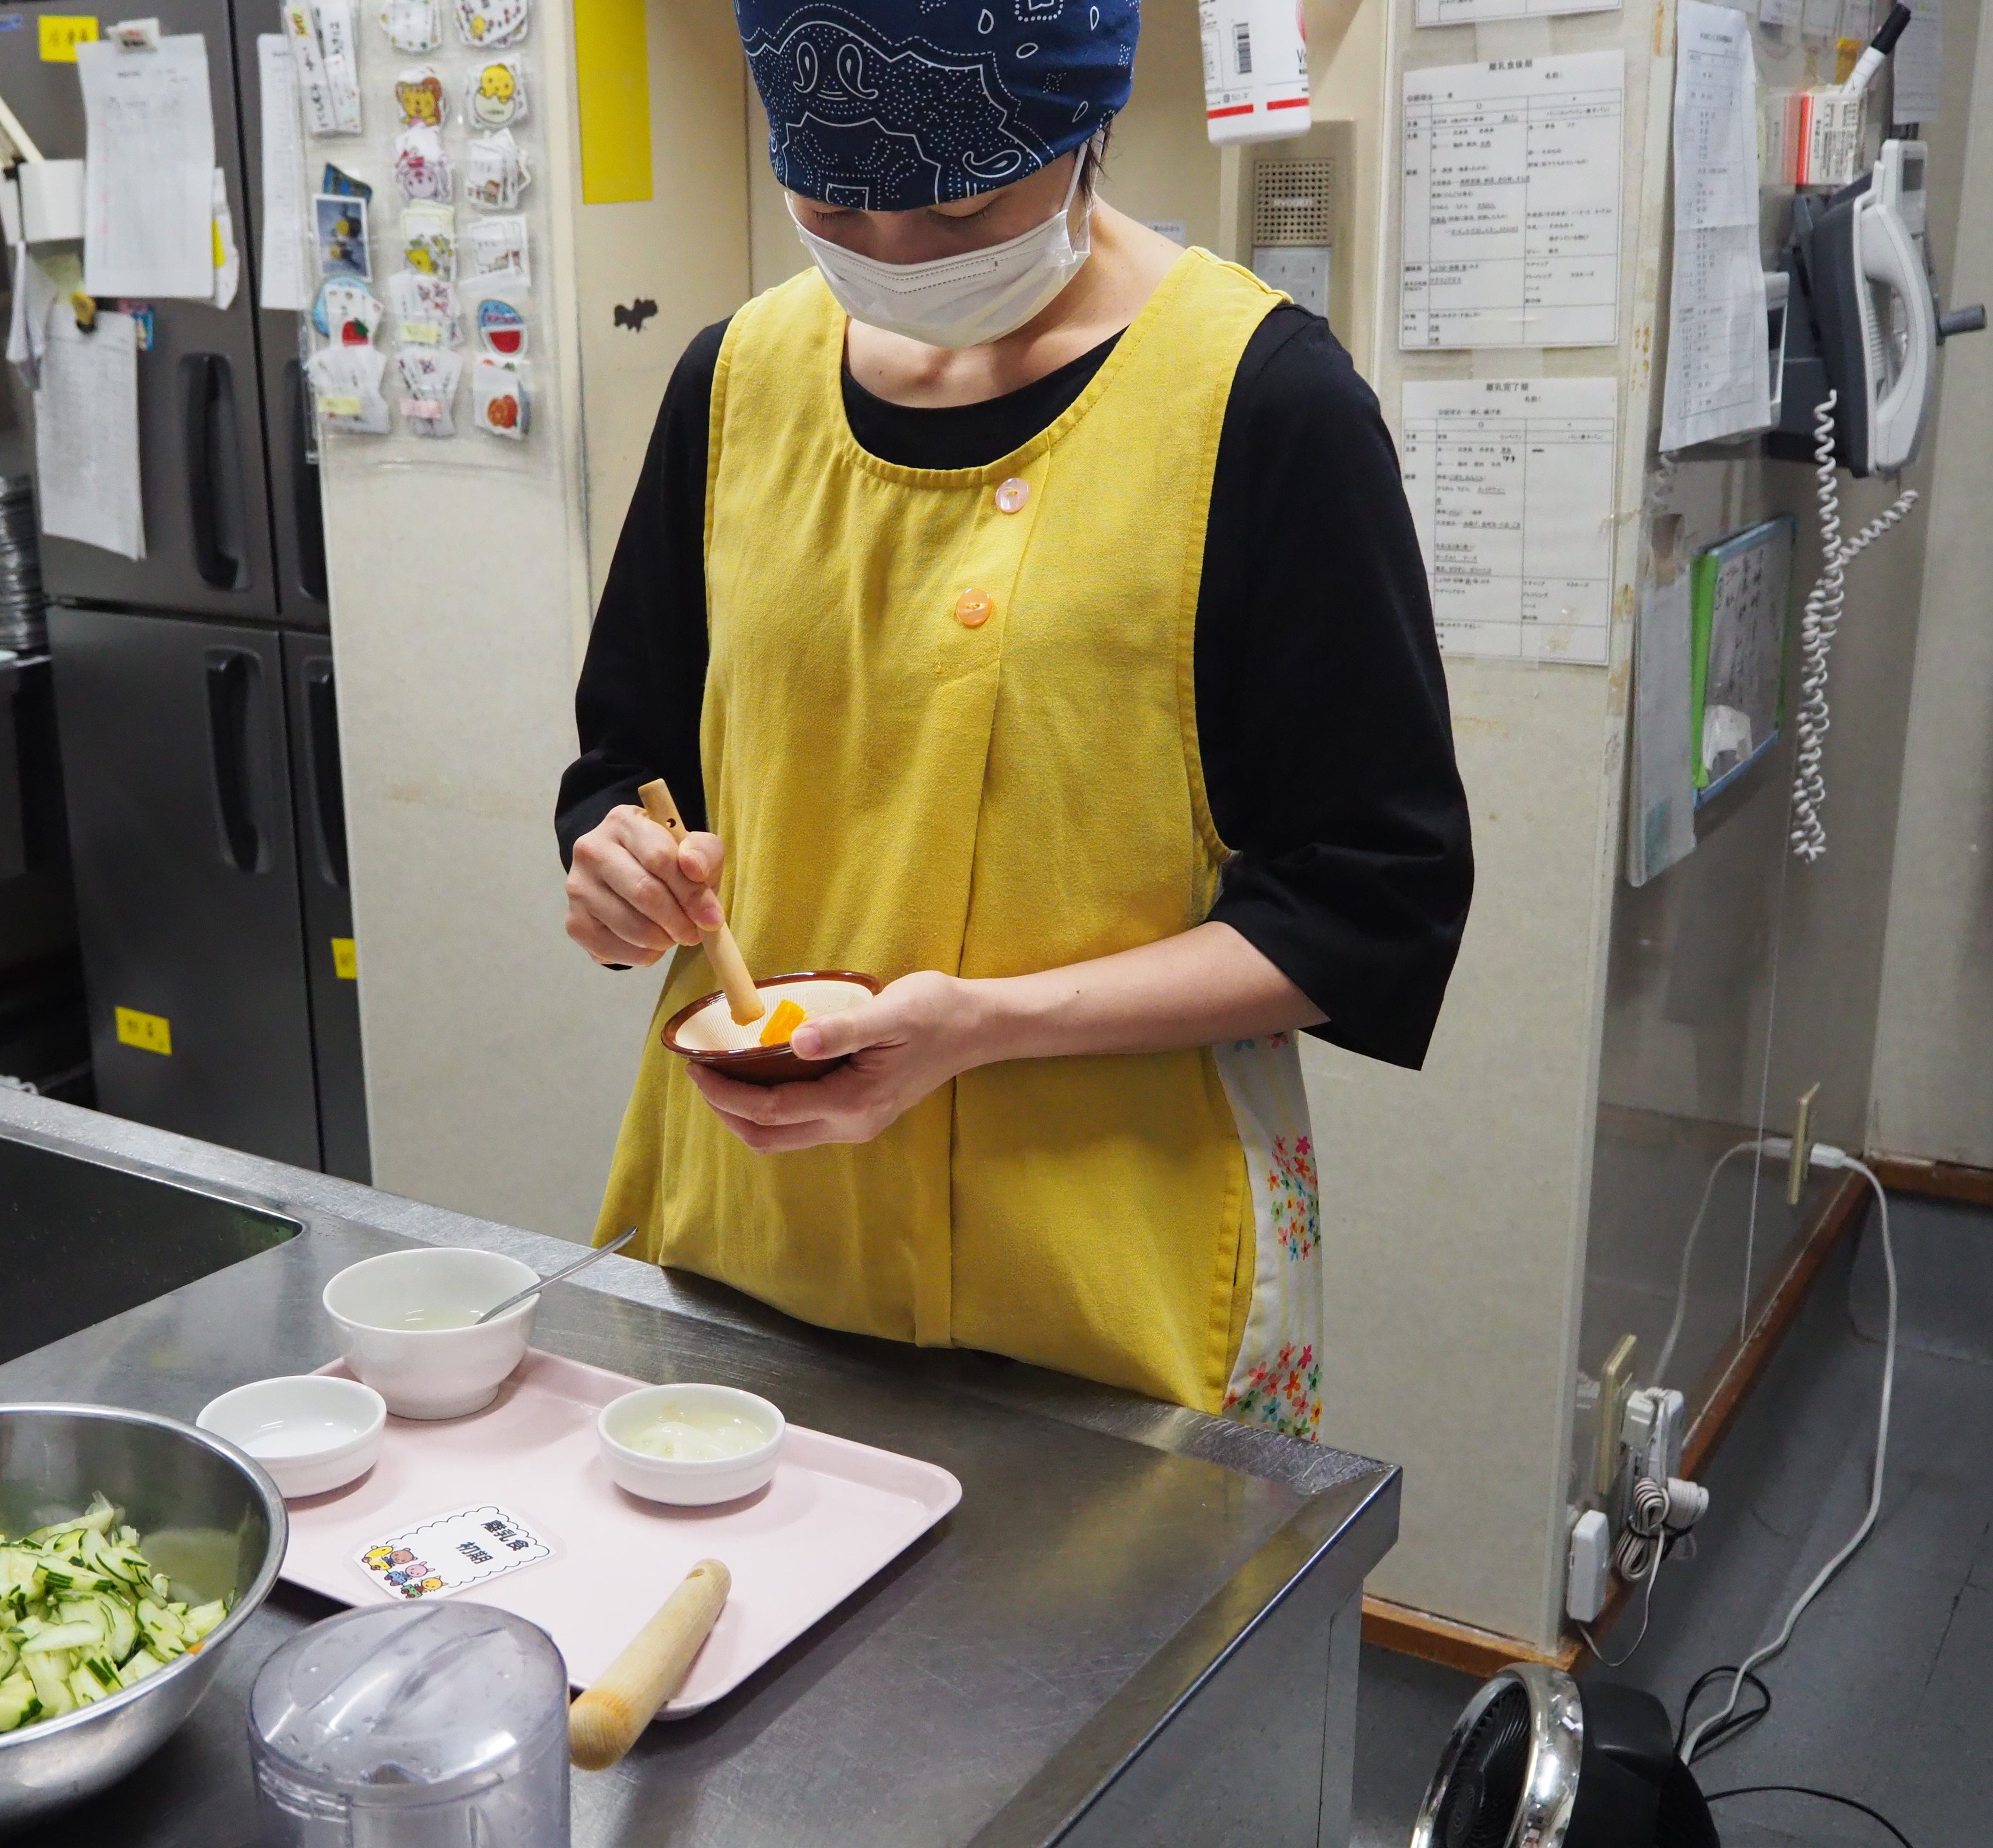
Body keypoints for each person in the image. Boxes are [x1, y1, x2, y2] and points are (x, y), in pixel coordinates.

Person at [555, 0, 1472, 1439]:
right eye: (834, 207)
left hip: (1107, 1291)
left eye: (961, 211)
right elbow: (631, 761)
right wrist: (616, 866)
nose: (895, 254)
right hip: (751, 1237)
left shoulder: (1262, 405)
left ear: (1084, 123)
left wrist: (982, 1027)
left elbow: (1373, 902)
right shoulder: (733, 385)